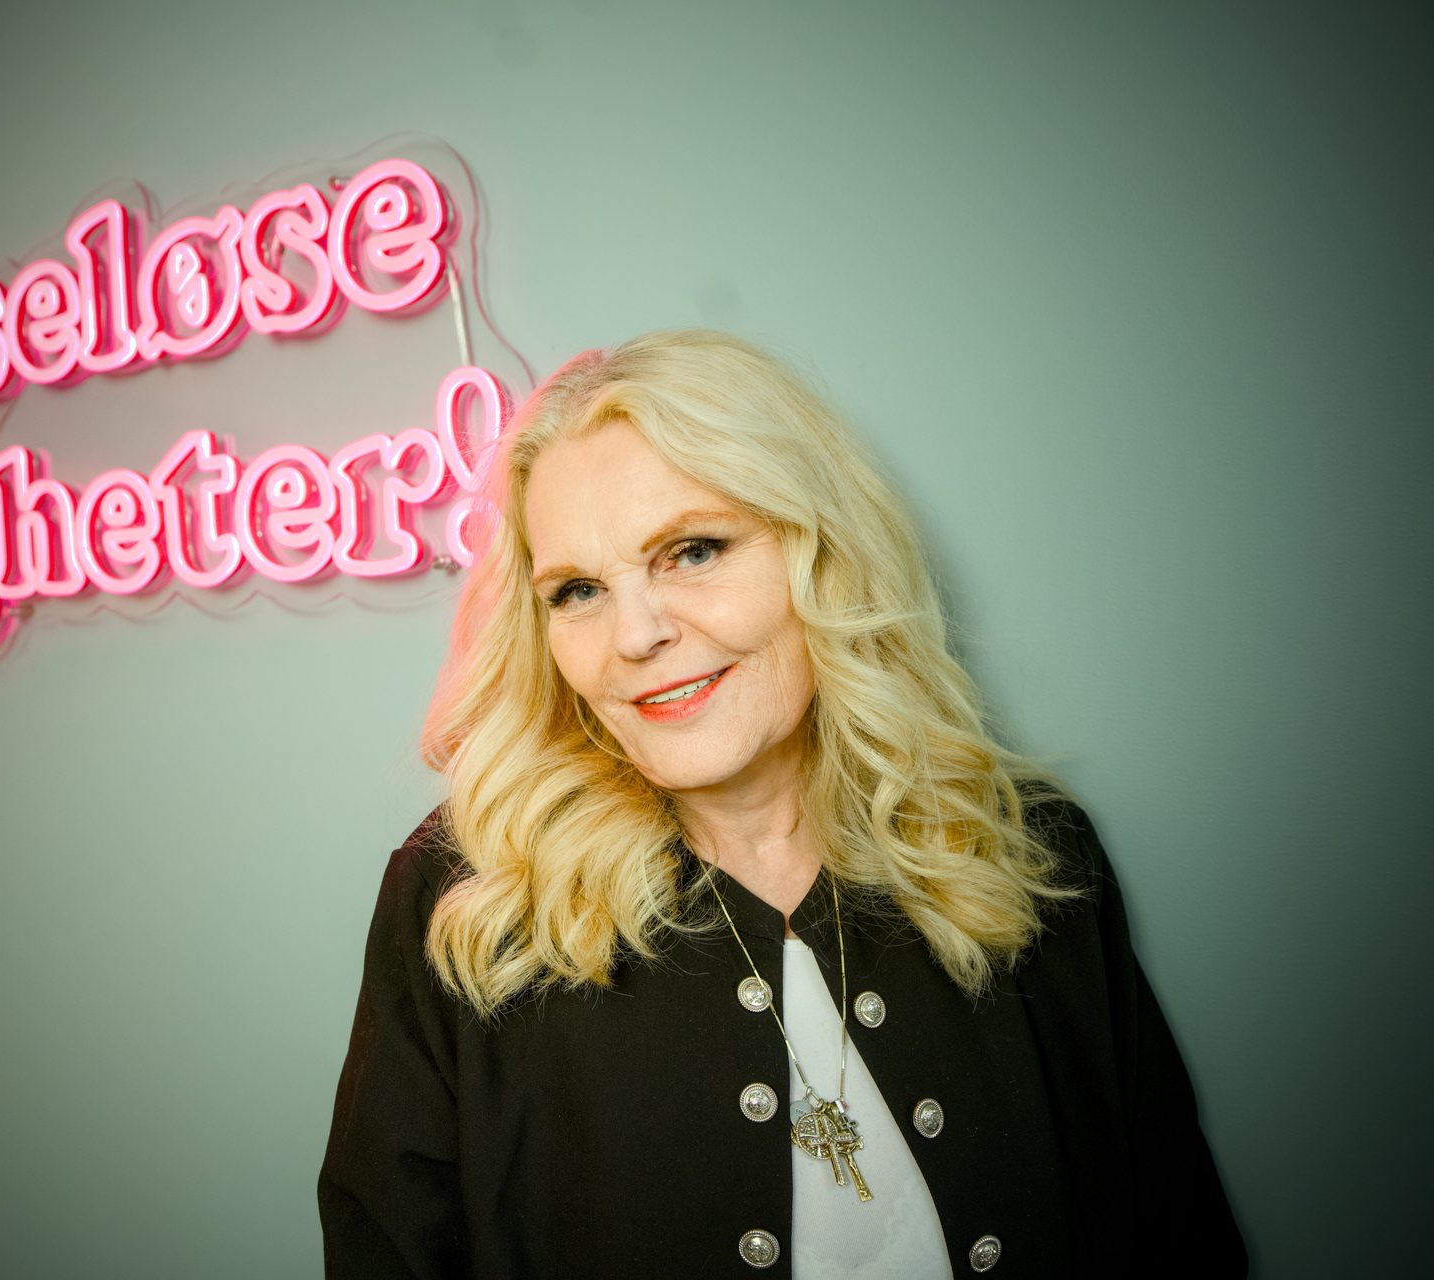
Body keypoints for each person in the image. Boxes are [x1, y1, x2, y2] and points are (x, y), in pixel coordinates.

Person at [317, 330, 1245, 1277]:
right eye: (579, 590)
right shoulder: (466, 900)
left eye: (693, 551)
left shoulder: (1026, 850)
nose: (635, 634)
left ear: (823, 554)